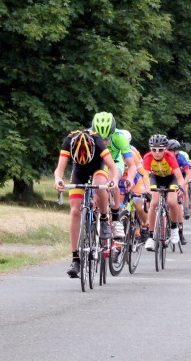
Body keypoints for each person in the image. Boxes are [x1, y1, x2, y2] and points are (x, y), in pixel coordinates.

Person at [53, 129, 121, 278]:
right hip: (79, 171)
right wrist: (58, 180)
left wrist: (114, 181)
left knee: (99, 182)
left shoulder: (98, 142)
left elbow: (113, 168)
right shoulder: (68, 141)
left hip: (98, 167)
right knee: (75, 211)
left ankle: (103, 218)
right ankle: (75, 259)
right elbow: (60, 169)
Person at [90, 112, 135, 240]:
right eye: (100, 138)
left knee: (112, 182)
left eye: (107, 139)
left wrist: (130, 179)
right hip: (96, 163)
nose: (104, 142)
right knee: (95, 184)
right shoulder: (88, 135)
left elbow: (131, 165)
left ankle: (115, 219)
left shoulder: (120, 137)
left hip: (115, 162)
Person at [142, 134, 187, 251]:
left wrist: (180, 187)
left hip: (171, 178)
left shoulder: (170, 157)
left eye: (160, 150)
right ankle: (151, 236)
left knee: (172, 202)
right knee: (153, 203)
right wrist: (146, 191)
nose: (157, 153)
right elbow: (145, 177)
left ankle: (174, 229)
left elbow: (180, 178)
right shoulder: (147, 157)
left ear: (165, 149)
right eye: (154, 150)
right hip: (156, 178)